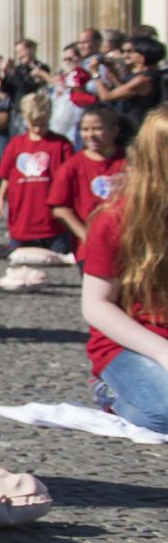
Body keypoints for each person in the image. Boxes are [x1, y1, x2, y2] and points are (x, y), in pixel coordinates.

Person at [83, 109, 168, 434]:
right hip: (133, 342)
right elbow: (96, 305)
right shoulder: (116, 217)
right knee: (163, 412)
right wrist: (162, 352)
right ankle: (108, 390)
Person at [1, 94, 77, 255]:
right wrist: (1, 198)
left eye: (42, 124)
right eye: (33, 124)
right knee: (17, 259)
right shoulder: (16, 144)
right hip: (22, 221)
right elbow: (7, 175)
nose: (37, 129)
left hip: (53, 223)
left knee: (60, 259)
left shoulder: (61, 144)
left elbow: (71, 178)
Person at [49, 106, 127, 242]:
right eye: (85, 130)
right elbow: (59, 207)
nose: (90, 135)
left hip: (125, 243)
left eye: (97, 129)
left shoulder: (129, 162)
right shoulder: (72, 166)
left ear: (114, 130)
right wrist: (86, 235)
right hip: (89, 249)